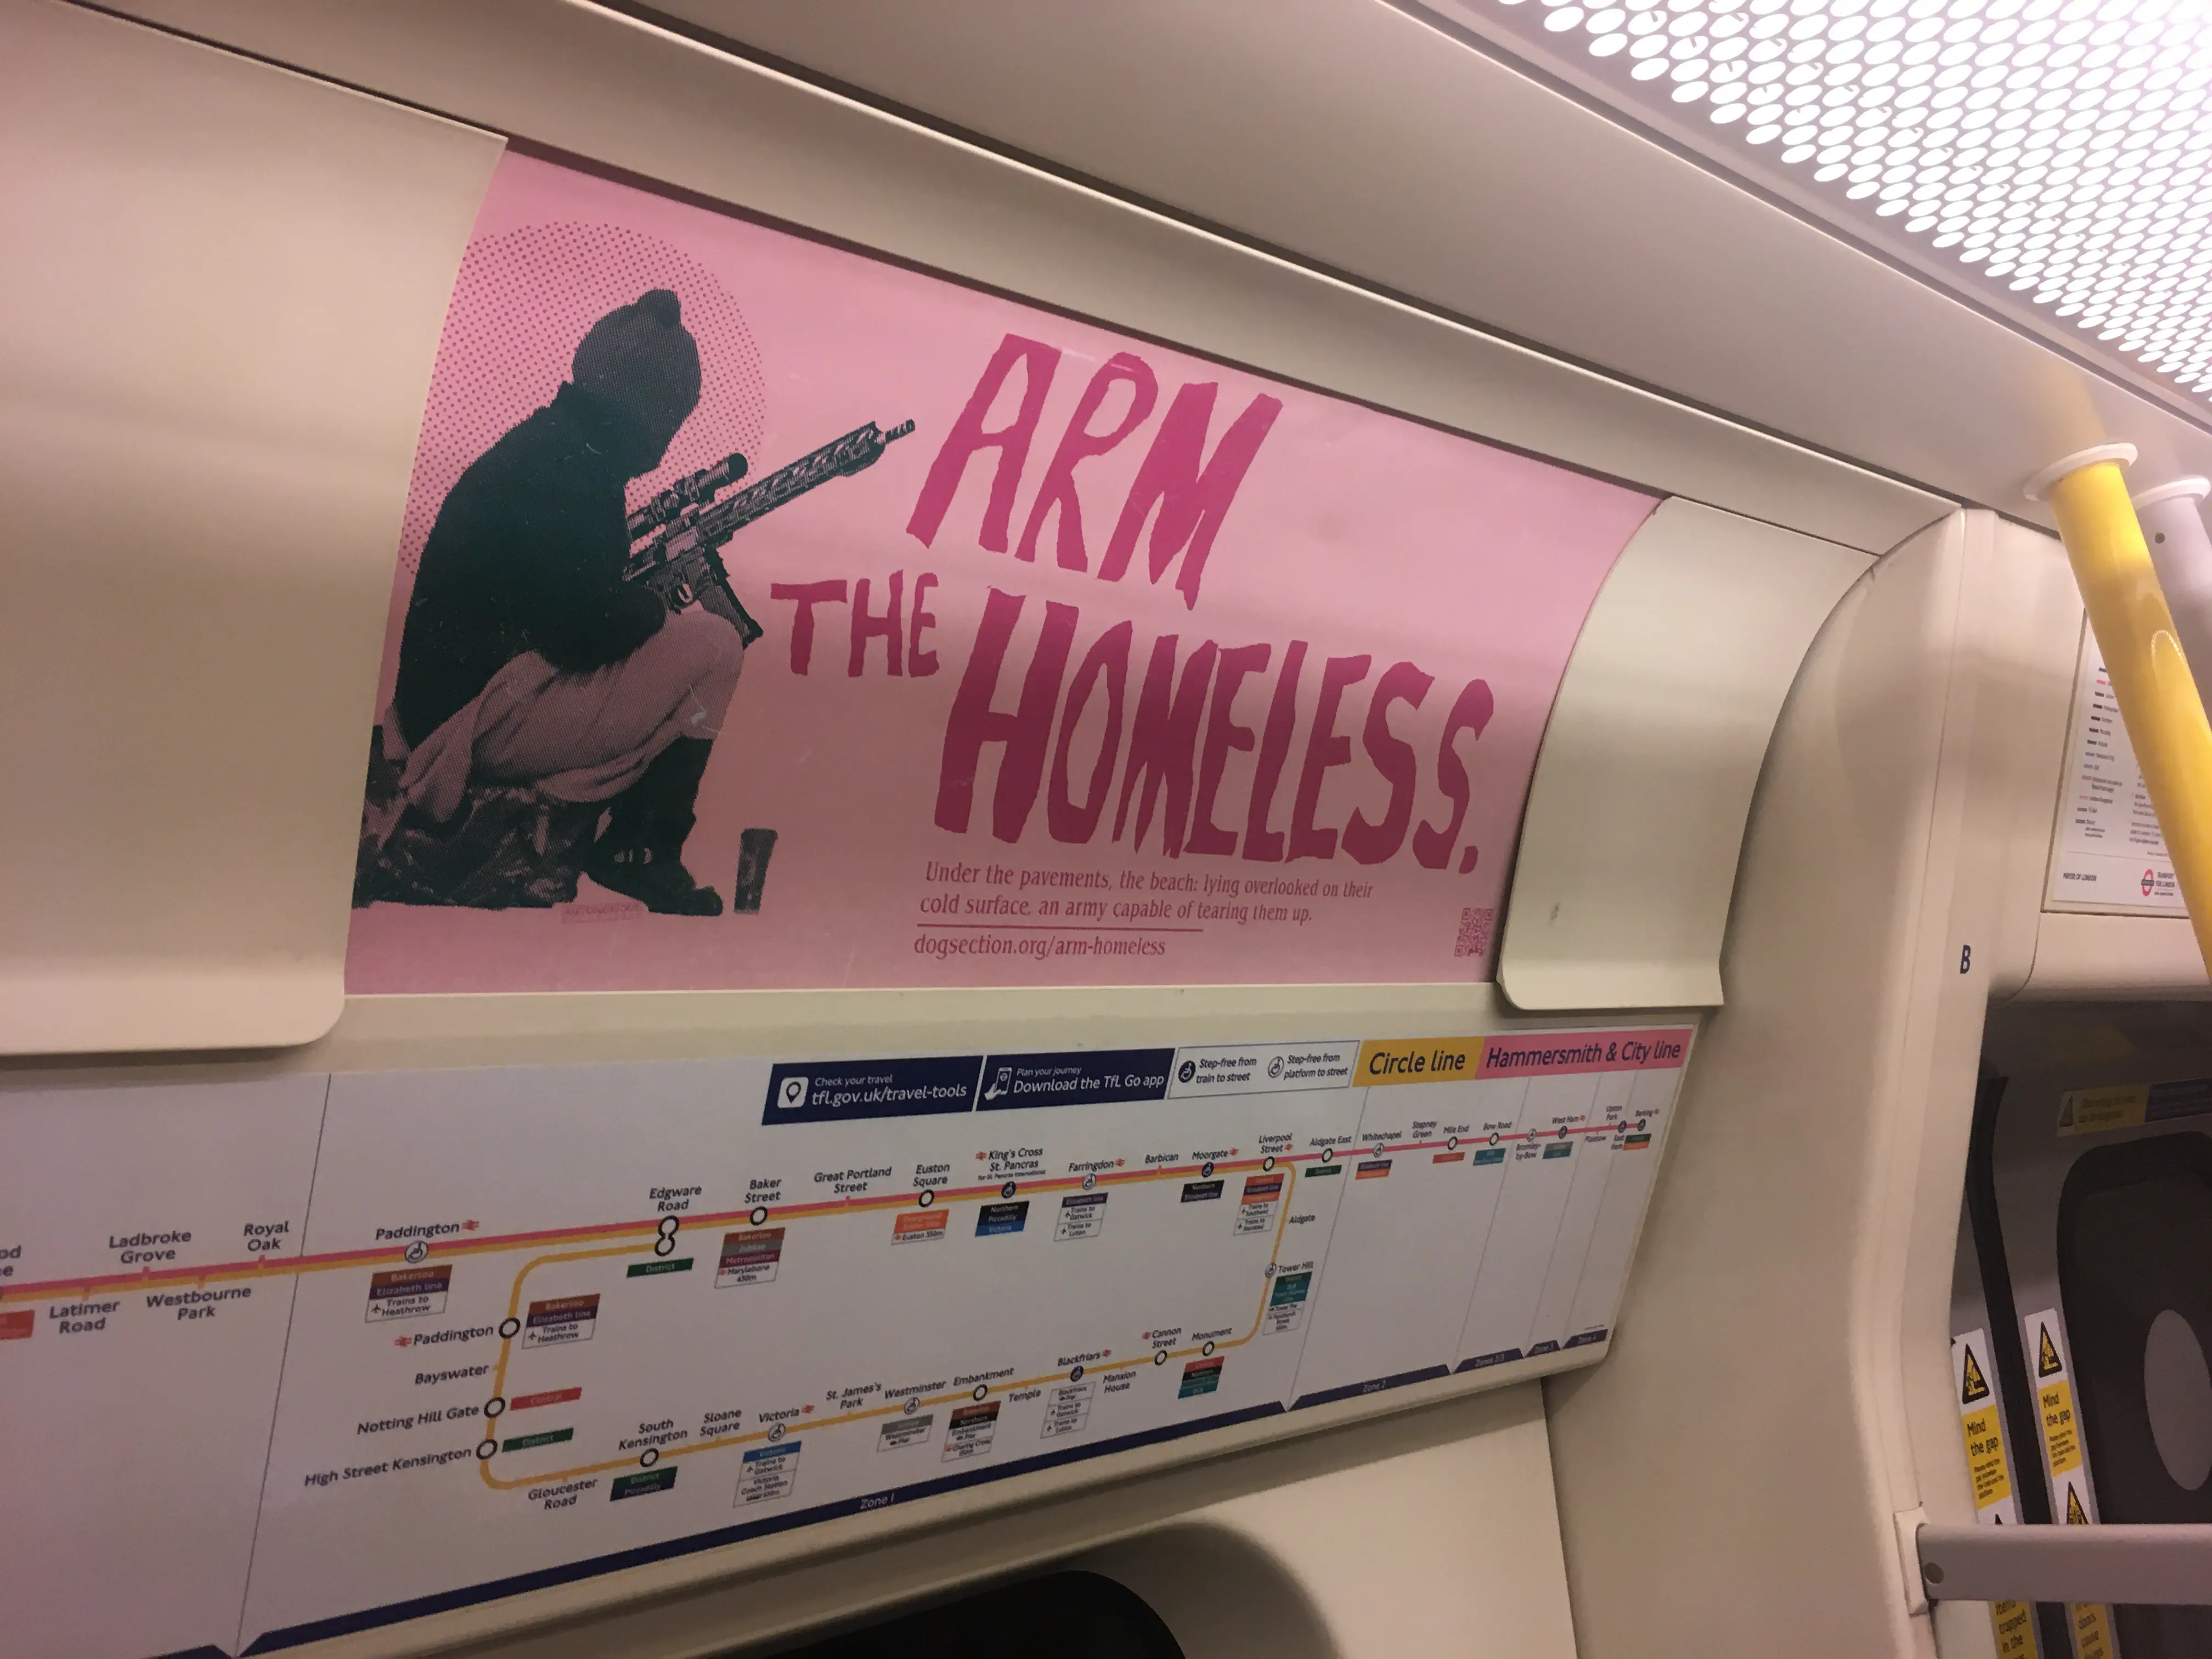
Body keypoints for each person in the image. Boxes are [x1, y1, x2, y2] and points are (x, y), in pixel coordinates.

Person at [383, 289, 743, 915]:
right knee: (716, 646)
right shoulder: (574, 471)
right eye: (668, 421)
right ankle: (641, 851)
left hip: (451, 708)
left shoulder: (553, 445)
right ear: (644, 410)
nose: (664, 445)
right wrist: (651, 607)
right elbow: (582, 633)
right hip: (464, 730)